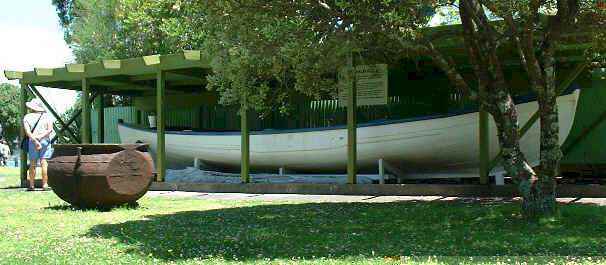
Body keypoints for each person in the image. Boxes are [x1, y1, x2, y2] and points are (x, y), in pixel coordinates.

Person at [23, 98, 54, 191]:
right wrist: (41, 138)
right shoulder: (47, 116)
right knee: (44, 163)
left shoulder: (27, 117)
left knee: (32, 164)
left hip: (32, 141)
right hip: (45, 140)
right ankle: (45, 185)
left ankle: (31, 185)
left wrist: (35, 140)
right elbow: (50, 130)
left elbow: (27, 132)